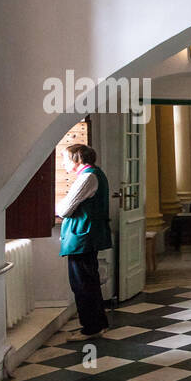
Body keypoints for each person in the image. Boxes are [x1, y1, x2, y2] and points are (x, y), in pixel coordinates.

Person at [56, 144, 112, 338]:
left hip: (82, 237)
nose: (63, 164)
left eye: (65, 159)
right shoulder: (95, 174)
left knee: (82, 284)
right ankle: (98, 324)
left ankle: (91, 328)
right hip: (87, 236)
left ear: (77, 159)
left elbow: (64, 209)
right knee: (89, 281)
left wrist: (57, 207)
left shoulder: (87, 177)